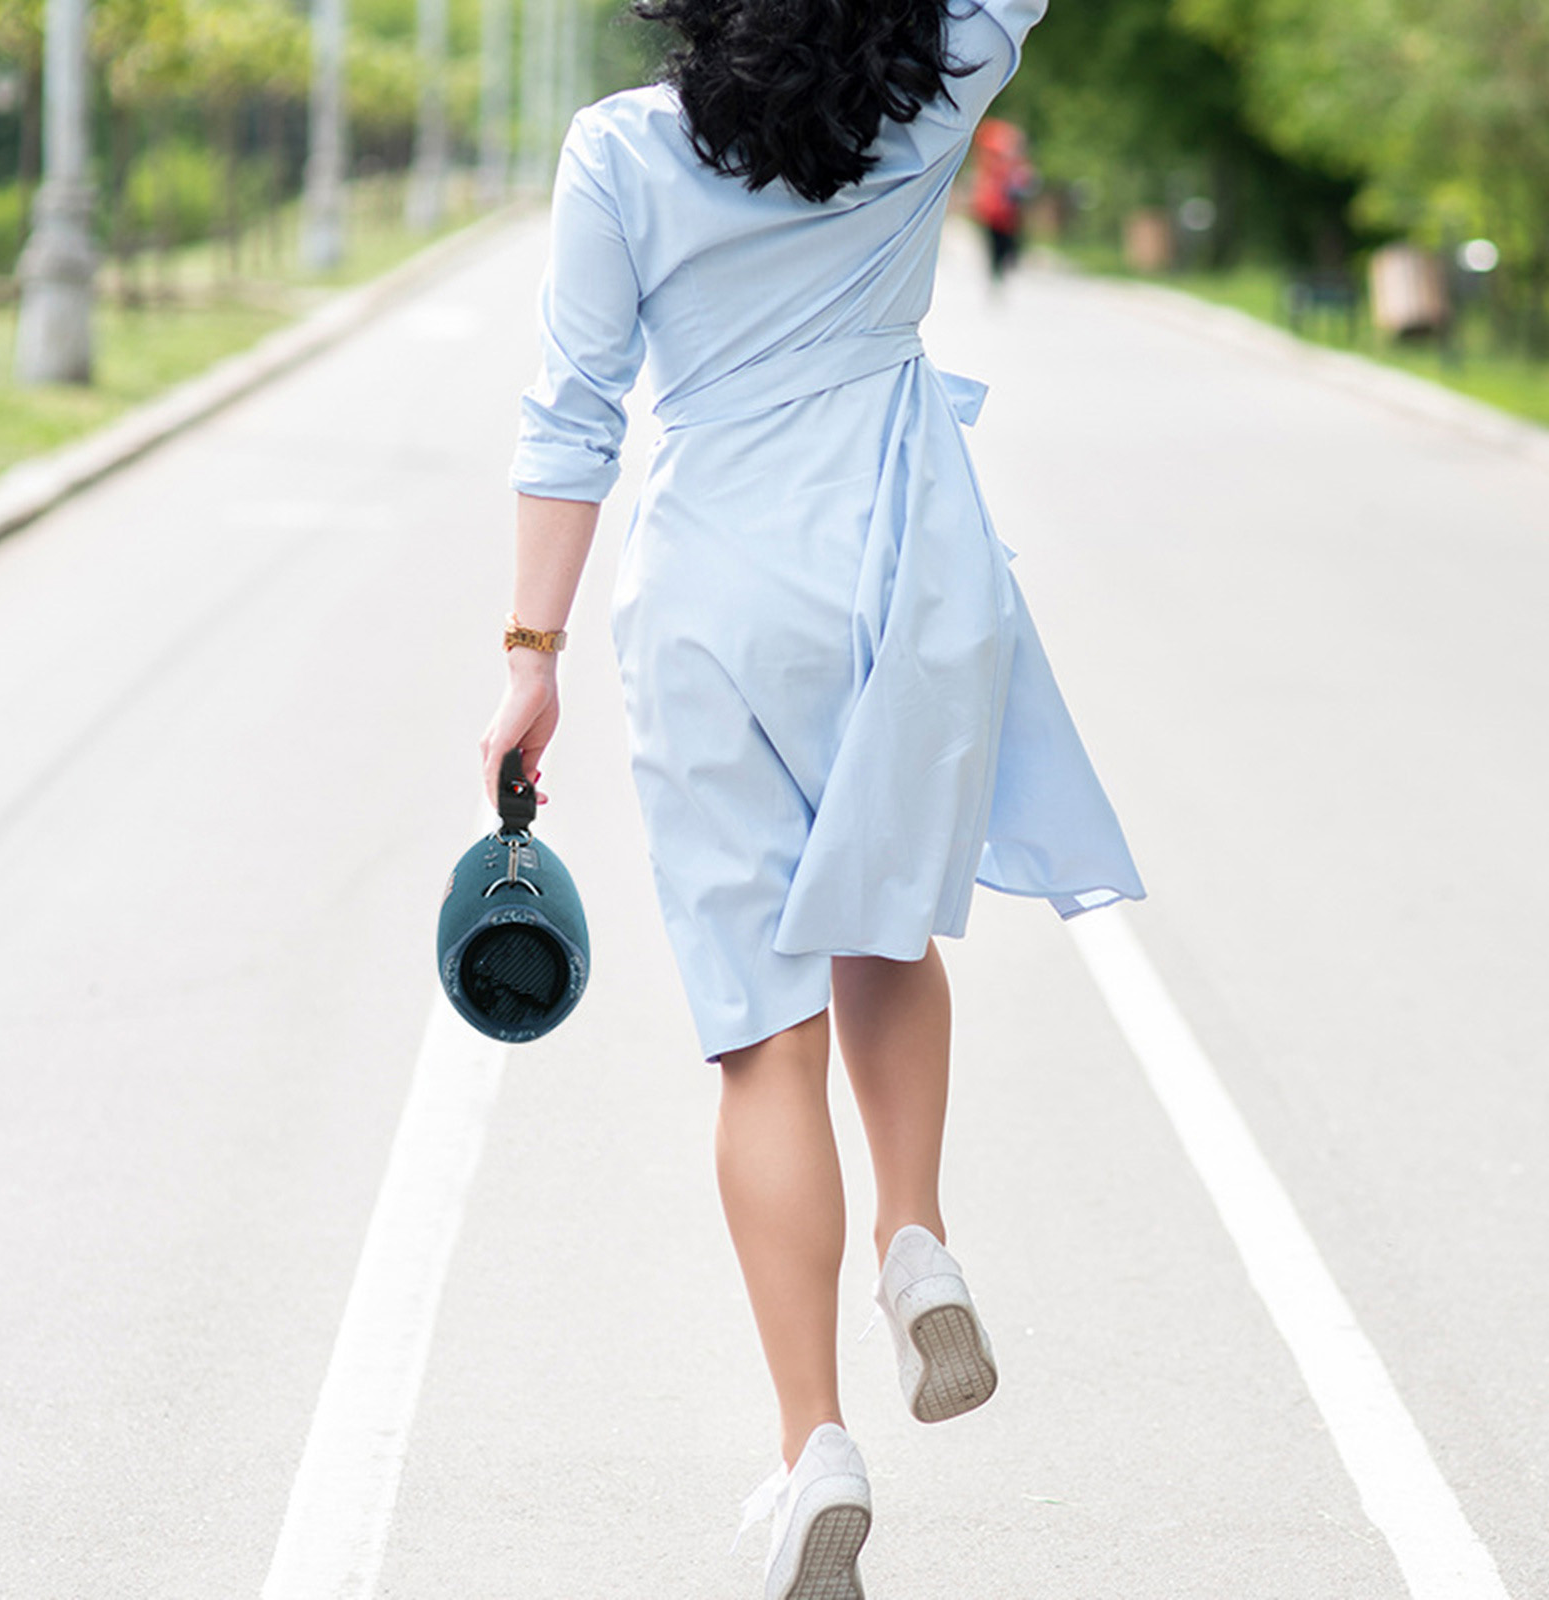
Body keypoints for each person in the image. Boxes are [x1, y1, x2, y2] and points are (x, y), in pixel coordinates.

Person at [479, 0, 1143, 1593]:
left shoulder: (622, 151)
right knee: (885, 926)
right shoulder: (933, 92)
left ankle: (813, 1447)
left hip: (712, 593)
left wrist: (529, 659)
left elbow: (572, 417)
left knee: (762, 1038)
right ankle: (915, 1240)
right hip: (900, 567)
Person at [970, 116, 1037, 282]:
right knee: (997, 240)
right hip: (995, 209)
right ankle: (998, 268)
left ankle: (1002, 264)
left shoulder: (1012, 163)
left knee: (1005, 239)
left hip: (1006, 210)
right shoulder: (997, 161)